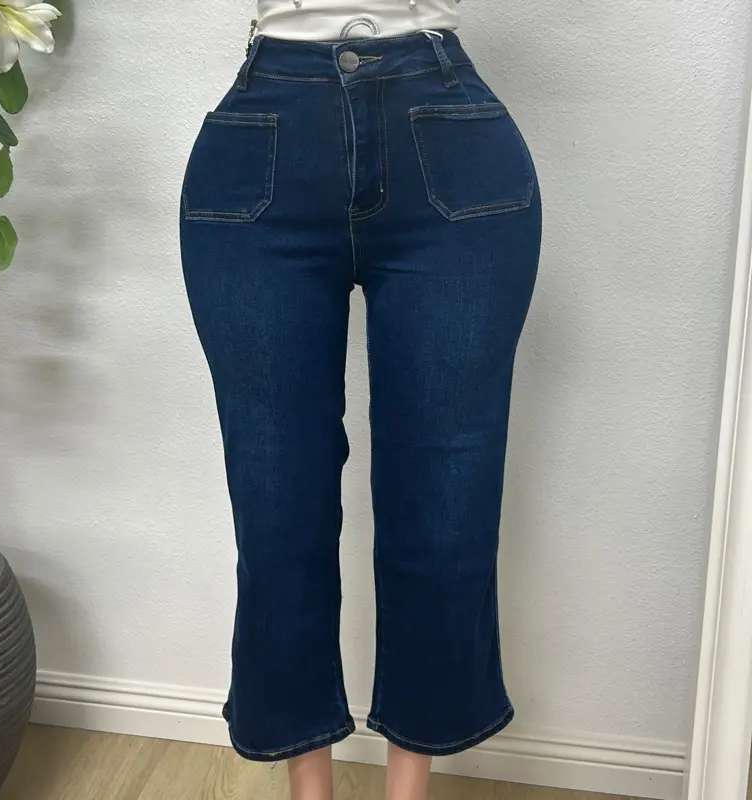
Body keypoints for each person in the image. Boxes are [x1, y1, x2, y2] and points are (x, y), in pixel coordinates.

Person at [179, 2, 542, 798]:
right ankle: (309, 788)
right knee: (277, 503)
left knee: (446, 504)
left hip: (448, 138)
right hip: (263, 141)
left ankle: (408, 788)